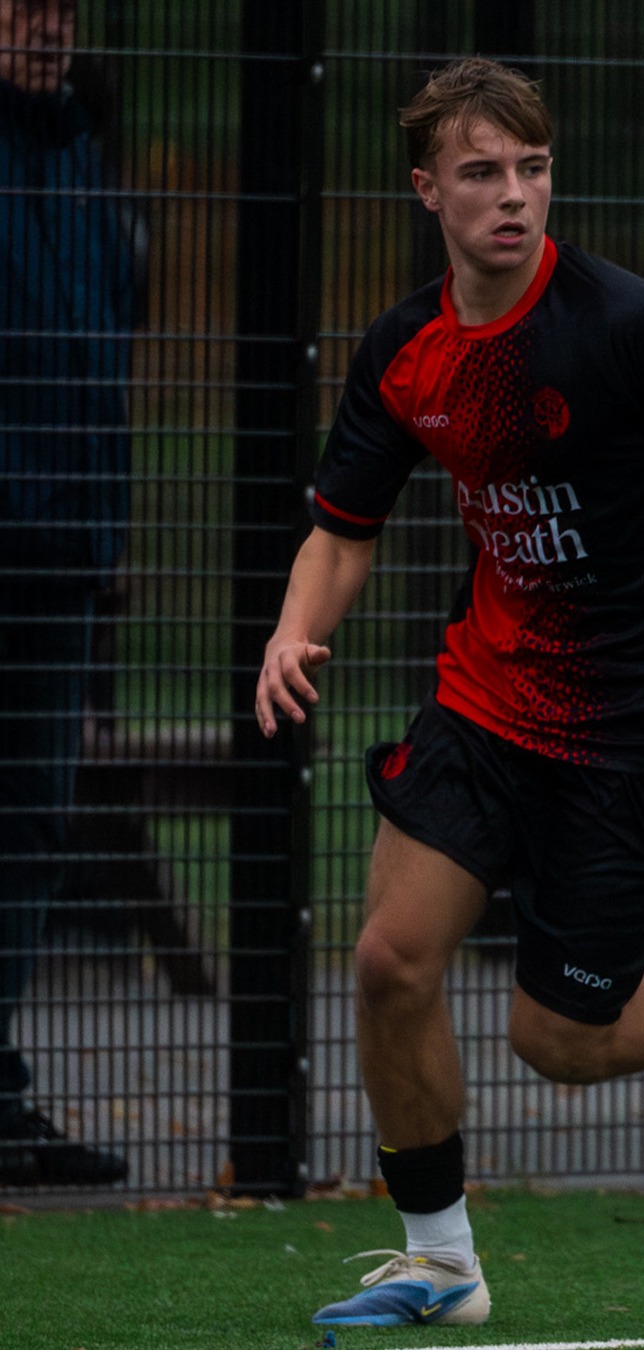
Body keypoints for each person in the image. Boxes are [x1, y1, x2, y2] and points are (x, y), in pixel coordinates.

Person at [256, 57, 644, 1328]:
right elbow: (344, 528)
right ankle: (441, 1261)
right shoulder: (407, 351)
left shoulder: (628, 326)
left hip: (642, 729)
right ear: (428, 190)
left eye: (531, 169)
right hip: (486, 698)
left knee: (559, 1042)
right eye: (481, 172)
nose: (513, 196)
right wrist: (292, 631)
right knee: (388, 961)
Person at [0, 0, 133, 1184]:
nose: (49, 29)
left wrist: (110, 534)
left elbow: (109, 367)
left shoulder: (85, 165)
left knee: (30, 826)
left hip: (63, 553)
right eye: (23, 7)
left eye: (62, 9)